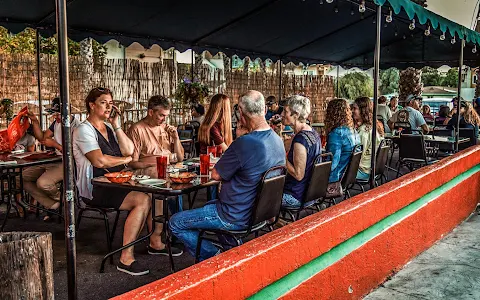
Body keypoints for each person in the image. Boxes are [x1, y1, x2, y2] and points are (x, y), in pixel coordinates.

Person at [73, 88, 180, 276]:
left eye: (110, 102)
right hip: (96, 187)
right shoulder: (83, 129)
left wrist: (116, 125)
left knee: (154, 191)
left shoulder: (109, 129)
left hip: (118, 182)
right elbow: (99, 161)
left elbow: (129, 150)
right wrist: (125, 161)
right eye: (104, 102)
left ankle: (155, 242)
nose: (109, 106)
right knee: (142, 199)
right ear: (91, 105)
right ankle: (126, 257)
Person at [169, 90, 286, 261]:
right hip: (259, 213)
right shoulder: (277, 140)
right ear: (265, 110)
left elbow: (216, 175)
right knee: (210, 203)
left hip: (233, 216)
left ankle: (215, 257)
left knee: (175, 222)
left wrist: (238, 141)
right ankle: (233, 254)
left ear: (241, 114)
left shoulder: (245, 143)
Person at [22, 98, 80, 212]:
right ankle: (53, 204)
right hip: (56, 159)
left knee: (43, 183)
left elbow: (76, 153)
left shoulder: (77, 127)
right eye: (54, 114)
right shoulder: (56, 123)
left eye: (58, 115)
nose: (56, 117)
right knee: (21, 178)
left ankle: (66, 201)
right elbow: (42, 137)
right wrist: (35, 121)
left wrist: (55, 145)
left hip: (70, 162)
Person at [127, 95, 184, 175]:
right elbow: (132, 162)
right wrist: (153, 165)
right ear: (151, 112)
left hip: (170, 170)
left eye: (166, 116)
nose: (164, 120)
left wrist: (176, 138)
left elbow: (180, 158)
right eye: (161, 115)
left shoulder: (166, 128)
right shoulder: (137, 129)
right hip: (148, 173)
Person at [281, 95, 321, 208]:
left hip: (295, 196)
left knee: (257, 195)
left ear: (296, 115)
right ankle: (277, 223)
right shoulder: (312, 132)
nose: (282, 114)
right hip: (310, 193)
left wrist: (280, 158)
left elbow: (298, 175)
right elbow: (284, 145)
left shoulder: (300, 140)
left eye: (285, 111)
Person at [325, 99, 358, 183]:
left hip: (335, 177)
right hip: (347, 175)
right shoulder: (353, 131)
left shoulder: (336, 134)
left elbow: (332, 164)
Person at [352, 97, 384, 181]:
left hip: (363, 171)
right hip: (372, 169)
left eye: (355, 108)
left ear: (363, 111)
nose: (352, 111)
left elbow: (357, 156)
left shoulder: (363, 131)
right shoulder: (373, 126)